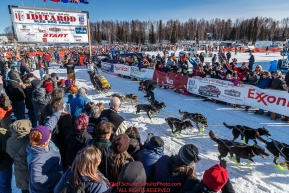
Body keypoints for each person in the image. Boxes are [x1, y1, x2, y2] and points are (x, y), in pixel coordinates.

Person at [26, 104, 65, 193]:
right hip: (46, 190)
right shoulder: (38, 158)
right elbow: (37, 181)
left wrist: (59, 112)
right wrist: (58, 174)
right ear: (46, 141)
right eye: (49, 133)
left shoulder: (39, 138)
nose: (50, 131)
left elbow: (49, 124)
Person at [6, 120, 32, 193]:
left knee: (24, 189)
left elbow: (9, 153)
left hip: (19, 171)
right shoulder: (29, 142)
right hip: (29, 171)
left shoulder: (10, 140)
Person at [0, 127, 13, 193]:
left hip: (4, 165)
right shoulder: (5, 134)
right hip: (4, 166)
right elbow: (9, 152)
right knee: (4, 186)